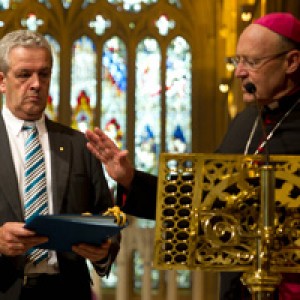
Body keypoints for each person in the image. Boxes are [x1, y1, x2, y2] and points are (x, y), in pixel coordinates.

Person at [86, 12, 300, 300]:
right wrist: (130, 178)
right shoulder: (244, 123)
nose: (239, 72)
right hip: (239, 289)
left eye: (252, 62)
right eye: (238, 61)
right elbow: (201, 199)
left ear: (291, 62)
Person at [0, 30, 120, 300]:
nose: (35, 84)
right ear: (2, 81)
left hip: (67, 290)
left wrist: (104, 251)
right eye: (24, 74)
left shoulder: (79, 144)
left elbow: (106, 217)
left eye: (44, 74)